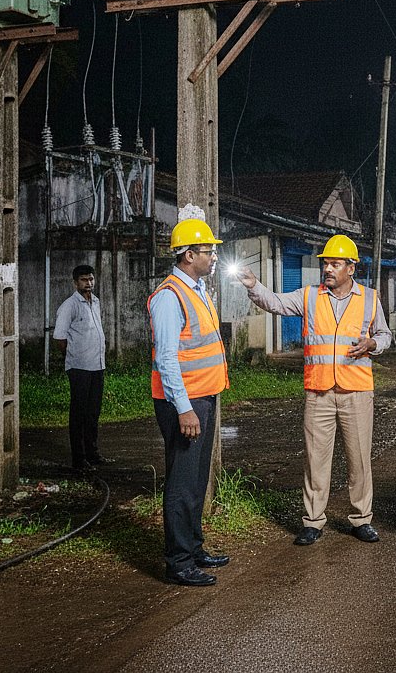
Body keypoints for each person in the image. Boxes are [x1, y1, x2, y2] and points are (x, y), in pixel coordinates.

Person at [237, 234, 392, 546]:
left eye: (335, 263)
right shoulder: (309, 296)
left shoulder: (370, 298)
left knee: (359, 459)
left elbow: (385, 335)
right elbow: (276, 303)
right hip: (319, 391)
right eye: (326, 263)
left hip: (356, 391)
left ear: (351, 267)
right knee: (315, 459)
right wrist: (254, 285)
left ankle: (361, 519)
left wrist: (373, 343)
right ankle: (312, 521)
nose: (328, 268)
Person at [148, 218, 230, 587]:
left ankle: (193, 547)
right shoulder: (169, 296)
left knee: (197, 479)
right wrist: (183, 408)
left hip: (204, 396)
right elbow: (166, 359)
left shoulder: (197, 289)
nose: (213, 256)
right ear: (189, 255)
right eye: (208, 250)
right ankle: (178, 562)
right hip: (184, 402)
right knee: (182, 482)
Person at [53, 264, 110, 473]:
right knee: (79, 413)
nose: (89, 283)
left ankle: (92, 454)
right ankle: (79, 458)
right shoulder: (70, 305)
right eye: (84, 280)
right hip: (79, 367)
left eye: (91, 279)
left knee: (93, 413)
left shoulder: (95, 302)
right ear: (75, 282)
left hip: (97, 366)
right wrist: (73, 355)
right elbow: (60, 337)